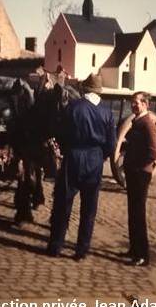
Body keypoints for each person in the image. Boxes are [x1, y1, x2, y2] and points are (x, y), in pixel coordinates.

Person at [47, 73, 116, 260]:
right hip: (95, 159)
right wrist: (101, 156)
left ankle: (56, 245)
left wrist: (67, 147)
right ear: (99, 92)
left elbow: (60, 133)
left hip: (74, 156)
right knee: (89, 208)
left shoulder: (73, 107)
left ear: (84, 89)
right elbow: (111, 144)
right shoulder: (107, 112)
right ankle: (81, 250)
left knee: (63, 203)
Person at [123, 92, 156, 267]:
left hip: (140, 174)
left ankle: (143, 255)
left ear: (146, 104)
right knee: (132, 213)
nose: (134, 105)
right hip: (133, 172)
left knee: (139, 215)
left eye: (137, 103)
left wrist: (138, 167)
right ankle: (133, 249)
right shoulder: (137, 121)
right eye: (132, 103)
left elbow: (154, 153)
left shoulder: (148, 124)